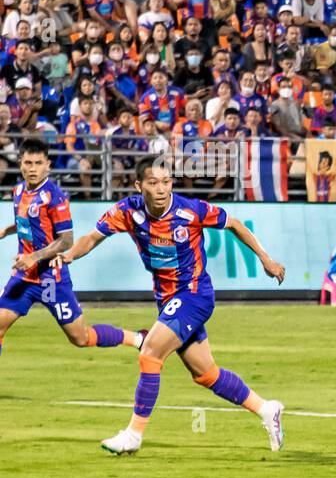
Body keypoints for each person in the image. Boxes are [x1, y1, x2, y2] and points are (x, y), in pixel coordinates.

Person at [53, 159, 287, 456]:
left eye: (166, 182)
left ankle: (133, 435)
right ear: (139, 186)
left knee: (150, 353)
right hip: (167, 299)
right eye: (153, 183)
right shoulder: (127, 211)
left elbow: (235, 224)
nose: (161, 189)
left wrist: (266, 259)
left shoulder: (190, 210)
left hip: (194, 295)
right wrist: (70, 255)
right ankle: (266, 408)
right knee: (206, 374)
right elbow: (92, 237)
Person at [0, 139, 144, 363]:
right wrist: (6, 231)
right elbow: (26, 222)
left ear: (48, 165)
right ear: (20, 163)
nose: (33, 168)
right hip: (24, 276)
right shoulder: (18, 191)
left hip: (51, 278)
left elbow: (66, 240)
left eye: (38, 163)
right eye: (28, 163)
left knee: (80, 337)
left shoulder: (55, 197)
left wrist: (33, 257)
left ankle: (137, 339)